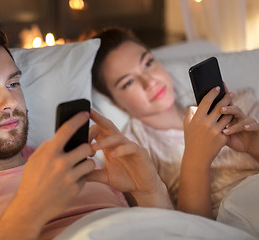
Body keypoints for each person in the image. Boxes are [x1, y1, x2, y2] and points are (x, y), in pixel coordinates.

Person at [0, 18, 173, 240]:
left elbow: (170, 233)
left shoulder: (69, 164)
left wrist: (150, 191)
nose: (9, 102)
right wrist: (30, 210)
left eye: (13, 84)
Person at [91, 27, 259, 219]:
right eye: (128, 83)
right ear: (117, 103)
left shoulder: (240, 102)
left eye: (148, 63)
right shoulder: (133, 151)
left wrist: (254, 146)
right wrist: (196, 161)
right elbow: (178, 230)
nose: (149, 82)